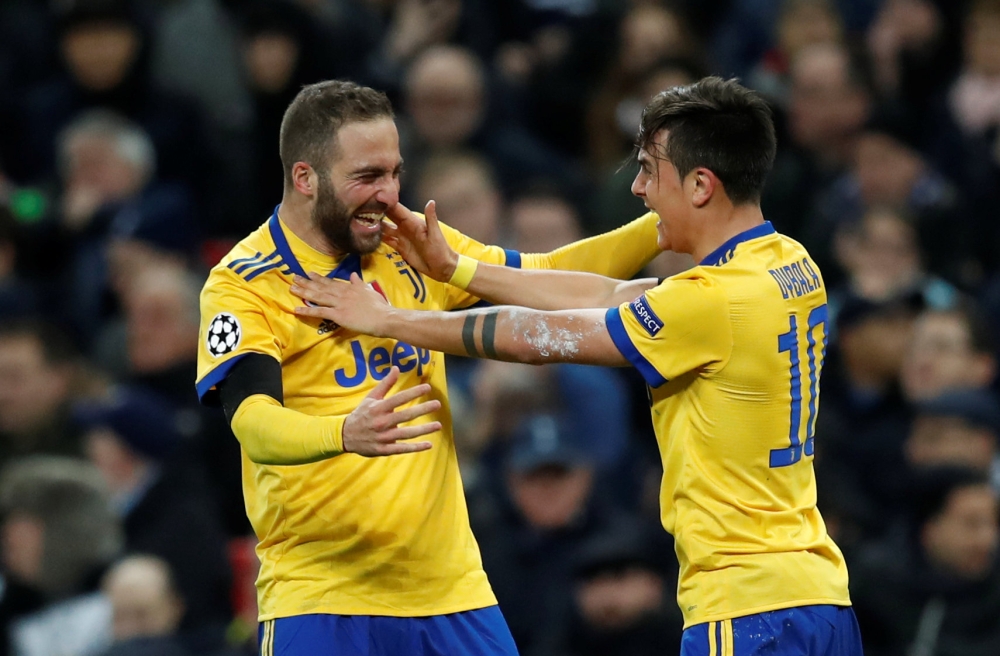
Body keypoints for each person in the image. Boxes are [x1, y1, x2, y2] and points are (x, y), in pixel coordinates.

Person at [293, 77, 863, 654]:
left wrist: (390, 320)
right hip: (820, 593)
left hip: (748, 606)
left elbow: (533, 337)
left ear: (699, 185)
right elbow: (608, 295)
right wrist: (458, 269)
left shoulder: (711, 300)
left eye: (648, 169)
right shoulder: (790, 263)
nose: (639, 189)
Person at [195, 79, 664, 654]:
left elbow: (546, 271)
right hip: (323, 596)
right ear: (304, 178)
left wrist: (667, 221)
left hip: (450, 590)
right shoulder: (246, 283)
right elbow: (252, 422)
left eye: (395, 172)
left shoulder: (403, 242)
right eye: (367, 176)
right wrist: (344, 432)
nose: (388, 193)